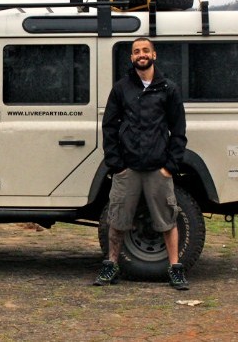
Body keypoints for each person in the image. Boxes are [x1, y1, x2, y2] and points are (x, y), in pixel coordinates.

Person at [94, 37, 189, 290]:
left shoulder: (168, 88)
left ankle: (175, 268)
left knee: (168, 219)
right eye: (136, 51)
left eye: (145, 50)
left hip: (158, 168)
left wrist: (170, 165)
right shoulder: (122, 88)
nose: (141, 54)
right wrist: (116, 164)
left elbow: (178, 130)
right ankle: (111, 265)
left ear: (154, 55)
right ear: (131, 58)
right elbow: (109, 127)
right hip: (128, 168)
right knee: (117, 220)